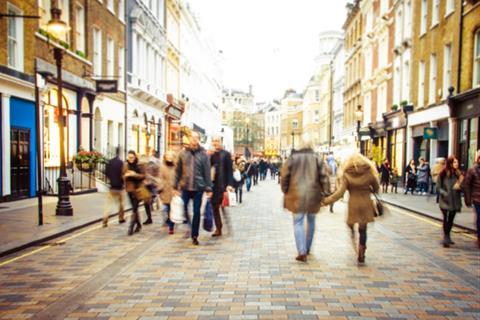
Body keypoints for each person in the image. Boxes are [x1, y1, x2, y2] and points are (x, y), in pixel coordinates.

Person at [322, 153, 380, 264]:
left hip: (353, 204)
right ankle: (362, 250)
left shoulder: (347, 174)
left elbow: (339, 193)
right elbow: (376, 188)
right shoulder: (369, 172)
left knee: (351, 225)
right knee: (363, 230)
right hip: (366, 204)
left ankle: (354, 238)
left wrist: (325, 201)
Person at [280, 135, 330, 263]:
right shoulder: (317, 158)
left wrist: (285, 189)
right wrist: (326, 192)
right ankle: (307, 248)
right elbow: (324, 177)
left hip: (296, 195)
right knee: (311, 221)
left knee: (298, 222)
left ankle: (301, 251)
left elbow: (284, 175)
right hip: (313, 195)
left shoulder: (292, 158)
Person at [175, 131, 213, 245]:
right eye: (192, 138)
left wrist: (209, 188)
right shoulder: (183, 154)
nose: (194, 140)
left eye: (196, 138)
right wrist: (175, 186)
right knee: (183, 208)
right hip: (185, 186)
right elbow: (178, 171)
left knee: (196, 212)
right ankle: (189, 226)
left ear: (199, 139)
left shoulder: (204, 154)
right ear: (189, 139)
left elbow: (207, 172)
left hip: (198, 188)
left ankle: (194, 235)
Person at [210, 135, 234, 237]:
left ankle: (228, 225)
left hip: (223, 185)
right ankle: (218, 228)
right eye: (214, 141)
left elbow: (229, 171)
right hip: (213, 186)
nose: (215, 143)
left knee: (223, 206)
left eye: (217, 141)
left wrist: (229, 184)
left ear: (221, 142)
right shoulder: (210, 154)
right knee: (215, 207)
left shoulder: (226, 154)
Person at [438, 155, 464, 248]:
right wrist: (444, 193)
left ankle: (448, 235)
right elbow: (438, 187)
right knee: (446, 218)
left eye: (457, 162)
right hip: (445, 200)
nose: (457, 164)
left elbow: (464, 187)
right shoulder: (443, 173)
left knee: (451, 219)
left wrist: (460, 186)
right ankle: (446, 237)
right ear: (450, 163)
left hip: (455, 200)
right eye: (455, 162)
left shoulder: (459, 174)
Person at [124, 150, 149, 235]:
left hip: (138, 190)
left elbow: (143, 176)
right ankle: (138, 224)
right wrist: (125, 176)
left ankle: (130, 228)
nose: (130, 159)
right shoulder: (125, 165)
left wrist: (134, 174)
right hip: (129, 190)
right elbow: (122, 176)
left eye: (132, 157)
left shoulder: (139, 165)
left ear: (135, 157)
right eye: (129, 157)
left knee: (134, 208)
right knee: (134, 208)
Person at [103, 147, 126, 227]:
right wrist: (123, 183)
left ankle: (105, 219)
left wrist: (111, 179)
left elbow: (106, 172)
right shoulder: (121, 163)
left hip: (112, 187)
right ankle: (121, 218)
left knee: (109, 205)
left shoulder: (110, 162)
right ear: (120, 153)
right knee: (121, 204)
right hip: (119, 187)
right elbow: (123, 174)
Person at [464, 150, 480, 248]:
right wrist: (468, 199)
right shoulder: (472, 170)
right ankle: (479, 237)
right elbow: (467, 185)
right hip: (477, 199)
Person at [159, 151, 176, 234]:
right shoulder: (162, 167)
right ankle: (167, 222)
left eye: (170, 156)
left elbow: (179, 178)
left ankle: (171, 227)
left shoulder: (175, 167)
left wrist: (178, 188)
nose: (169, 157)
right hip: (165, 191)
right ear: (165, 157)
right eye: (167, 156)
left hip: (173, 191)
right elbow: (160, 178)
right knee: (164, 209)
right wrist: (160, 187)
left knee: (172, 210)